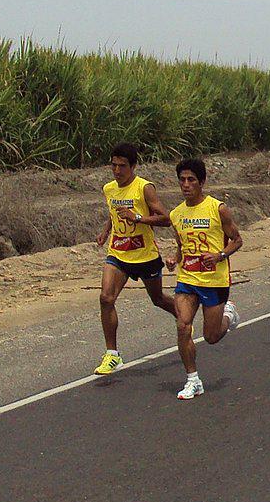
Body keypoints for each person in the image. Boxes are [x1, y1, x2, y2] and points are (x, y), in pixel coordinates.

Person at [94, 143, 177, 375]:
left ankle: (183, 318)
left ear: (133, 166)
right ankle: (112, 355)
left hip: (145, 256)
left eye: (122, 166)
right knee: (106, 297)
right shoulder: (109, 188)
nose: (117, 170)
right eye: (114, 165)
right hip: (118, 253)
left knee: (158, 299)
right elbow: (114, 212)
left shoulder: (144, 188)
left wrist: (138, 218)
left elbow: (165, 218)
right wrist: (106, 230)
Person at [166, 158, 241, 399]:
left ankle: (228, 315)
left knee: (211, 337)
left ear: (202, 182)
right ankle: (193, 380)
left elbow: (237, 240)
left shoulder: (218, 209)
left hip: (214, 281)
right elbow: (182, 246)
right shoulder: (176, 214)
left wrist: (220, 255)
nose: (186, 185)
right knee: (182, 325)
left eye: (191, 180)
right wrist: (174, 258)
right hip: (187, 278)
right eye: (182, 180)